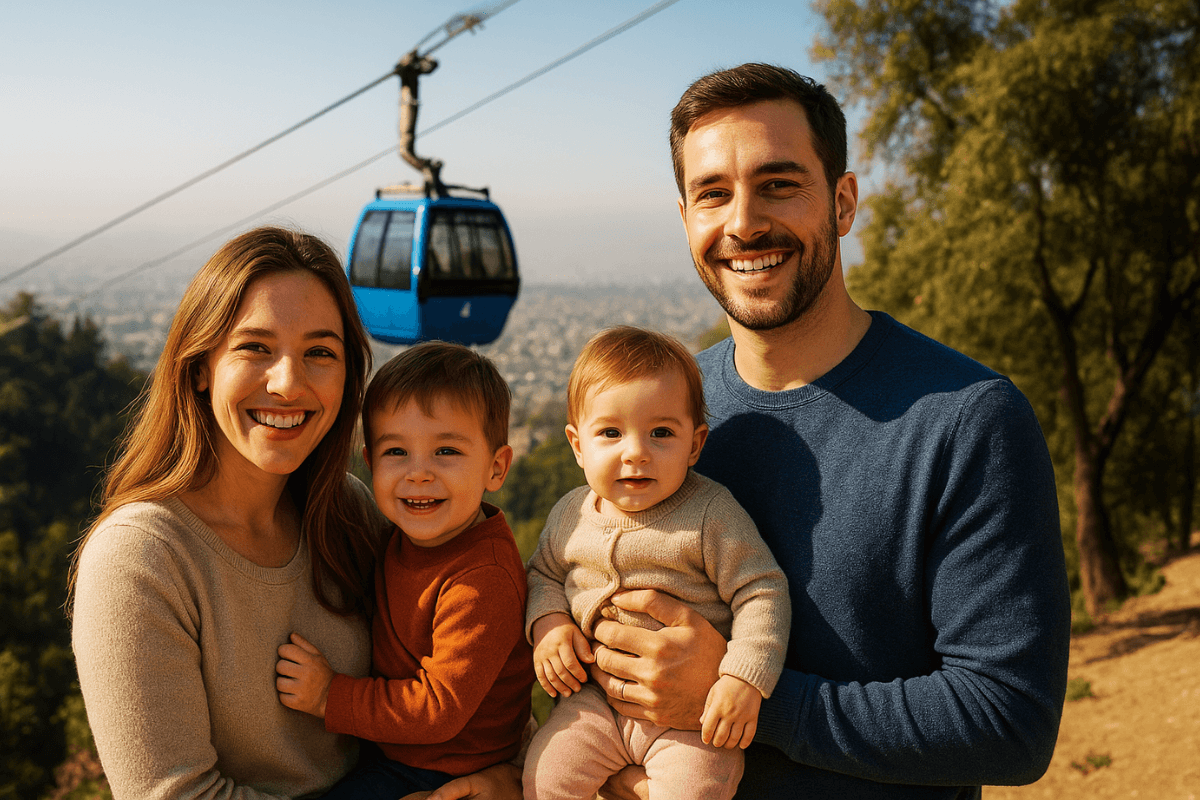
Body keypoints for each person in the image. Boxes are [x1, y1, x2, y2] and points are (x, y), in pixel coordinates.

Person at [585, 64, 1073, 799]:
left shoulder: (967, 419)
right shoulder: (661, 414)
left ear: (843, 202)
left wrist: (747, 698)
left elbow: (1009, 721)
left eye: (779, 184)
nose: (744, 222)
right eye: (713, 193)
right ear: (685, 215)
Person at [69, 226, 522, 800]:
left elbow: (476, 672)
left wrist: (508, 777)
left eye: (320, 353)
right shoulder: (143, 560)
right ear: (201, 366)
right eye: (255, 347)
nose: (288, 383)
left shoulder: (351, 513)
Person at [523, 326, 790, 800]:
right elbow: (543, 573)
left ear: (695, 443)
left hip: (691, 720)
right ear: (577, 444)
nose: (635, 452)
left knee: (695, 789)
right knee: (545, 778)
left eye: (661, 433)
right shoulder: (571, 513)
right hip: (595, 704)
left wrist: (742, 676)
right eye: (610, 433)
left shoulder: (710, 513)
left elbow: (761, 591)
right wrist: (548, 623)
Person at [275, 342, 534, 799]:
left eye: (447, 451)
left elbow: (439, 708)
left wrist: (328, 696)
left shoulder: (481, 577)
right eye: (396, 452)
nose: (418, 473)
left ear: (496, 469)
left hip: (447, 772)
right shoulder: (406, 537)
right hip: (404, 753)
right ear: (370, 463)